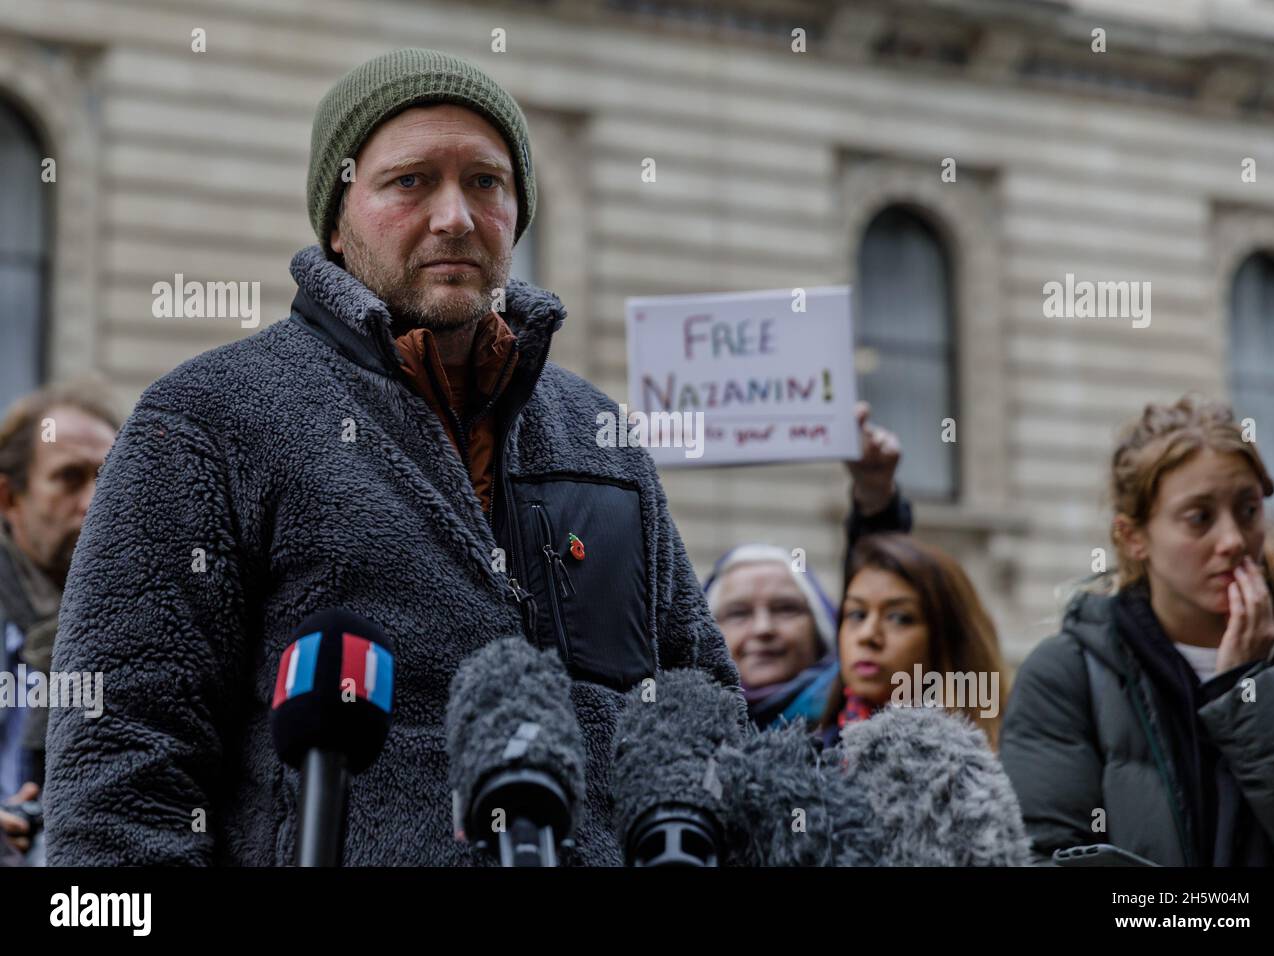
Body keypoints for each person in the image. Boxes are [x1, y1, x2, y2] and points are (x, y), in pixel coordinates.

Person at [43, 48, 738, 866]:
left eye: (486, 182)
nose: (455, 216)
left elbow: (706, 705)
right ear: (337, 222)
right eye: (411, 181)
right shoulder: (202, 419)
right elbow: (119, 771)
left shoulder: (601, 436)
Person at [1000, 395, 1274, 866]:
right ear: (1133, 537)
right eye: (1199, 518)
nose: (1234, 541)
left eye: (1248, 510)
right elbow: (1041, 855)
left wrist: (1253, 690)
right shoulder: (1067, 675)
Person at [704, 402, 912, 729]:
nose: (763, 629)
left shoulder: (858, 717)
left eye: (786, 609)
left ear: (822, 629)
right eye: (739, 613)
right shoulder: (671, 735)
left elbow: (879, 583)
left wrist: (875, 495)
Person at [0, 383, 119, 865]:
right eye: (69, 478)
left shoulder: (150, 630)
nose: (94, 503)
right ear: (9, 498)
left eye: (109, 479)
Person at [816, 533, 1007, 750]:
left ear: (946, 638)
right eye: (857, 614)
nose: (868, 635)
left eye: (899, 618)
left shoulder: (998, 763)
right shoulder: (804, 756)